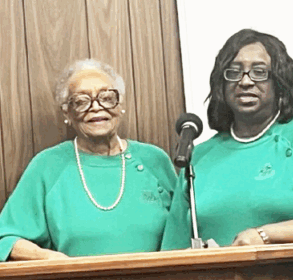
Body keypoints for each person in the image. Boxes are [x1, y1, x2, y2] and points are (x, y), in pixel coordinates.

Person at [162, 29, 293, 251]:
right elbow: (172, 250)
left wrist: (263, 236)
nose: (245, 81)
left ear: (279, 81)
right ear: (221, 85)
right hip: (215, 274)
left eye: (259, 71)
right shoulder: (200, 156)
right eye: (233, 72)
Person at [0, 59, 176, 260]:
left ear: (120, 104)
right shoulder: (47, 165)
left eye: (107, 97)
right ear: (67, 113)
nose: (96, 107)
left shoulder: (154, 160)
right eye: (81, 101)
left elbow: (185, 229)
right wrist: (49, 259)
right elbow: (5, 239)